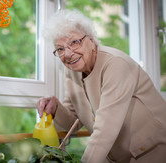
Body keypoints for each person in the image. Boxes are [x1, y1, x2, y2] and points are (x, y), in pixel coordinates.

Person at [36, 9, 166, 163]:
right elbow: (73, 121)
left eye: (74, 42)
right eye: (60, 49)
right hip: (117, 155)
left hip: (153, 149)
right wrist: (56, 108)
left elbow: (105, 129)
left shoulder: (115, 64)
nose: (68, 54)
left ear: (91, 40)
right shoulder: (71, 72)